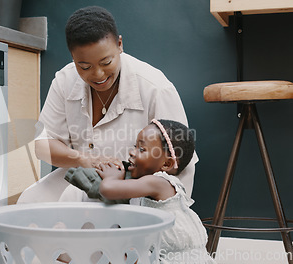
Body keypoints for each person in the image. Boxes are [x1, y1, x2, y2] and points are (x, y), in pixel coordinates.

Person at [17, 5, 197, 204]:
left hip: (135, 187)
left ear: (119, 44)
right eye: (84, 66)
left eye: (106, 62)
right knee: (29, 201)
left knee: (94, 221)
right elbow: (43, 146)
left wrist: (166, 210)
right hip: (84, 175)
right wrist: (84, 159)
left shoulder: (156, 88)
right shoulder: (64, 81)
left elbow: (179, 161)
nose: (98, 75)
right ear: (73, 57)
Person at [91, 119, 214, 263]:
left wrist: (112, 177)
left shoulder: (158, 182)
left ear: (166, 164)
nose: (131, 152)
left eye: (141, 149)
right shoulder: (151, 187)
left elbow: (108, 189)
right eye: (134, 146)